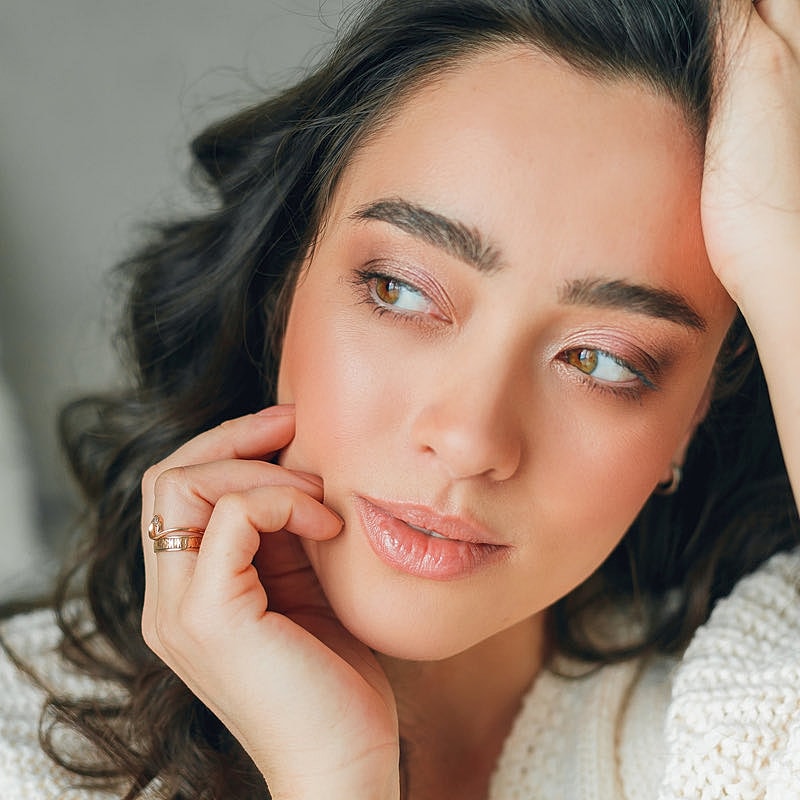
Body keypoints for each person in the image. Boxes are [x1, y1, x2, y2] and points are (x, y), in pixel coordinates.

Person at [1, 0, 799, 797]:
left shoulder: (753, 720)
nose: (469, 439)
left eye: (601, 359)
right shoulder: (19, 747)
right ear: (285, 280)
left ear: (693, 417)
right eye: (403, 292)